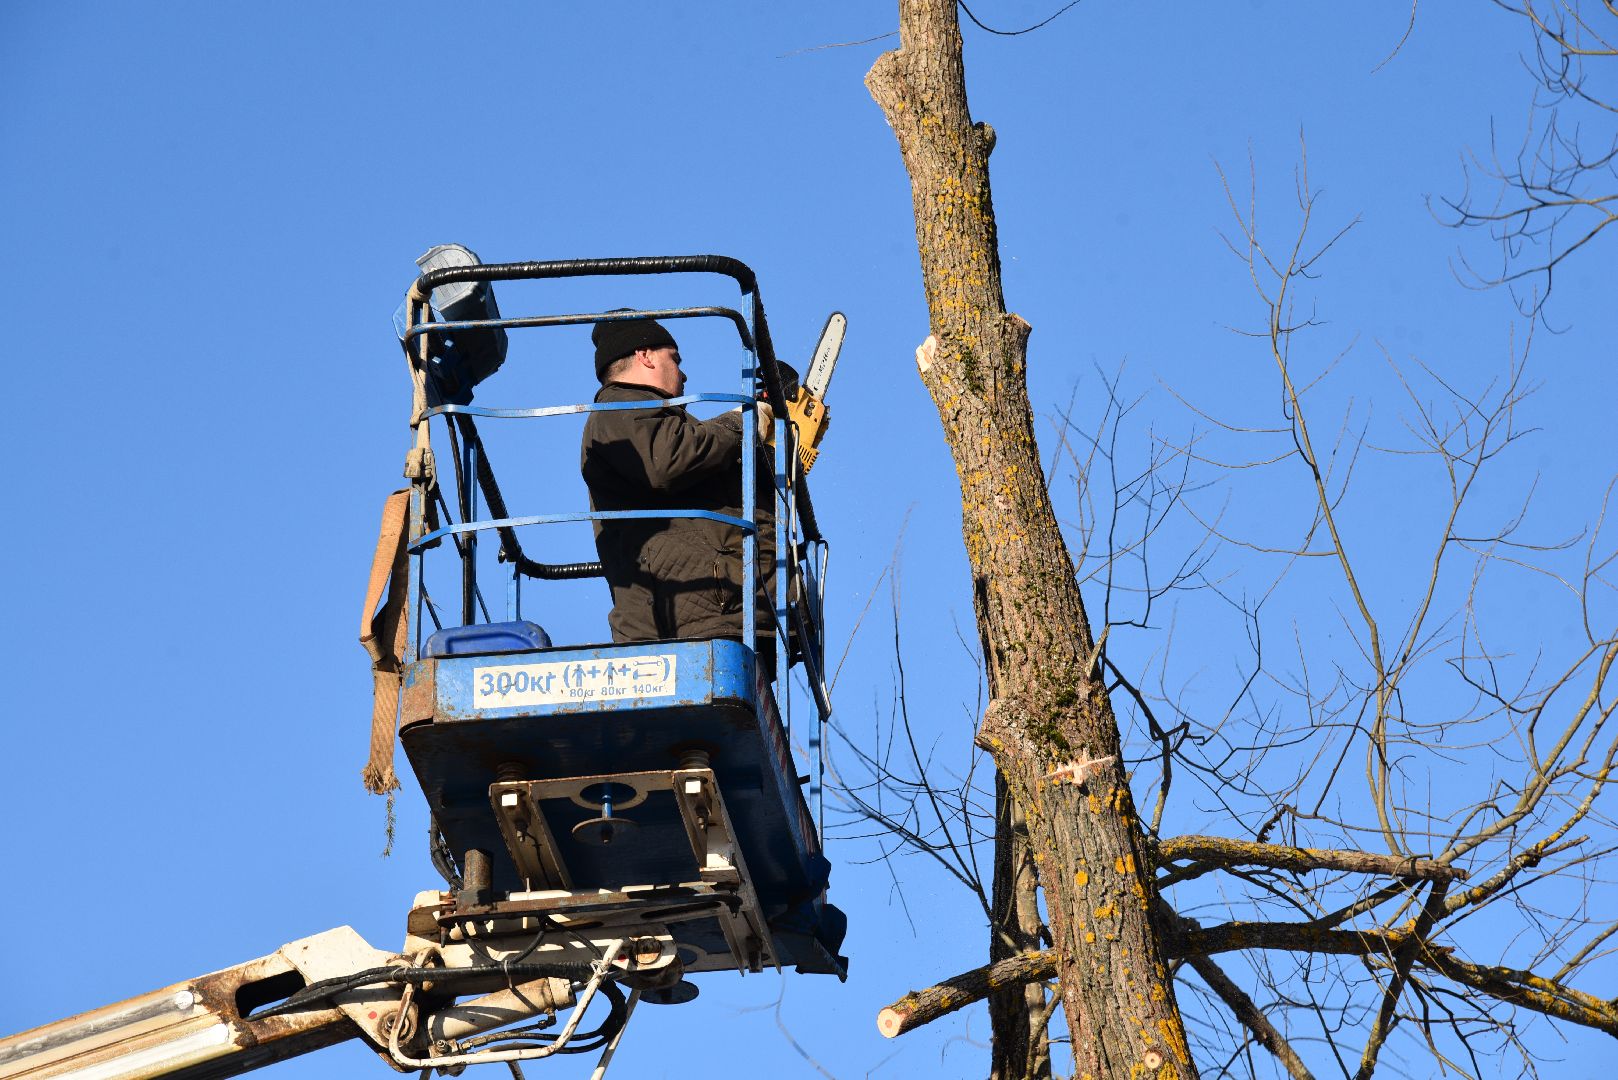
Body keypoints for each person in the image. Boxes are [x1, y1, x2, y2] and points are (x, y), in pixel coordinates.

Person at [580, 315, 779, 672]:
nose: (683, 375)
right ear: (645, 355)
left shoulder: (665, 424)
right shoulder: (619, 410)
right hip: (684, 621)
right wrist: (738, 424)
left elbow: (725, 486)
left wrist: (770, 445)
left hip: (727, 615)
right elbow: (666, 462)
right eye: (675, 359)